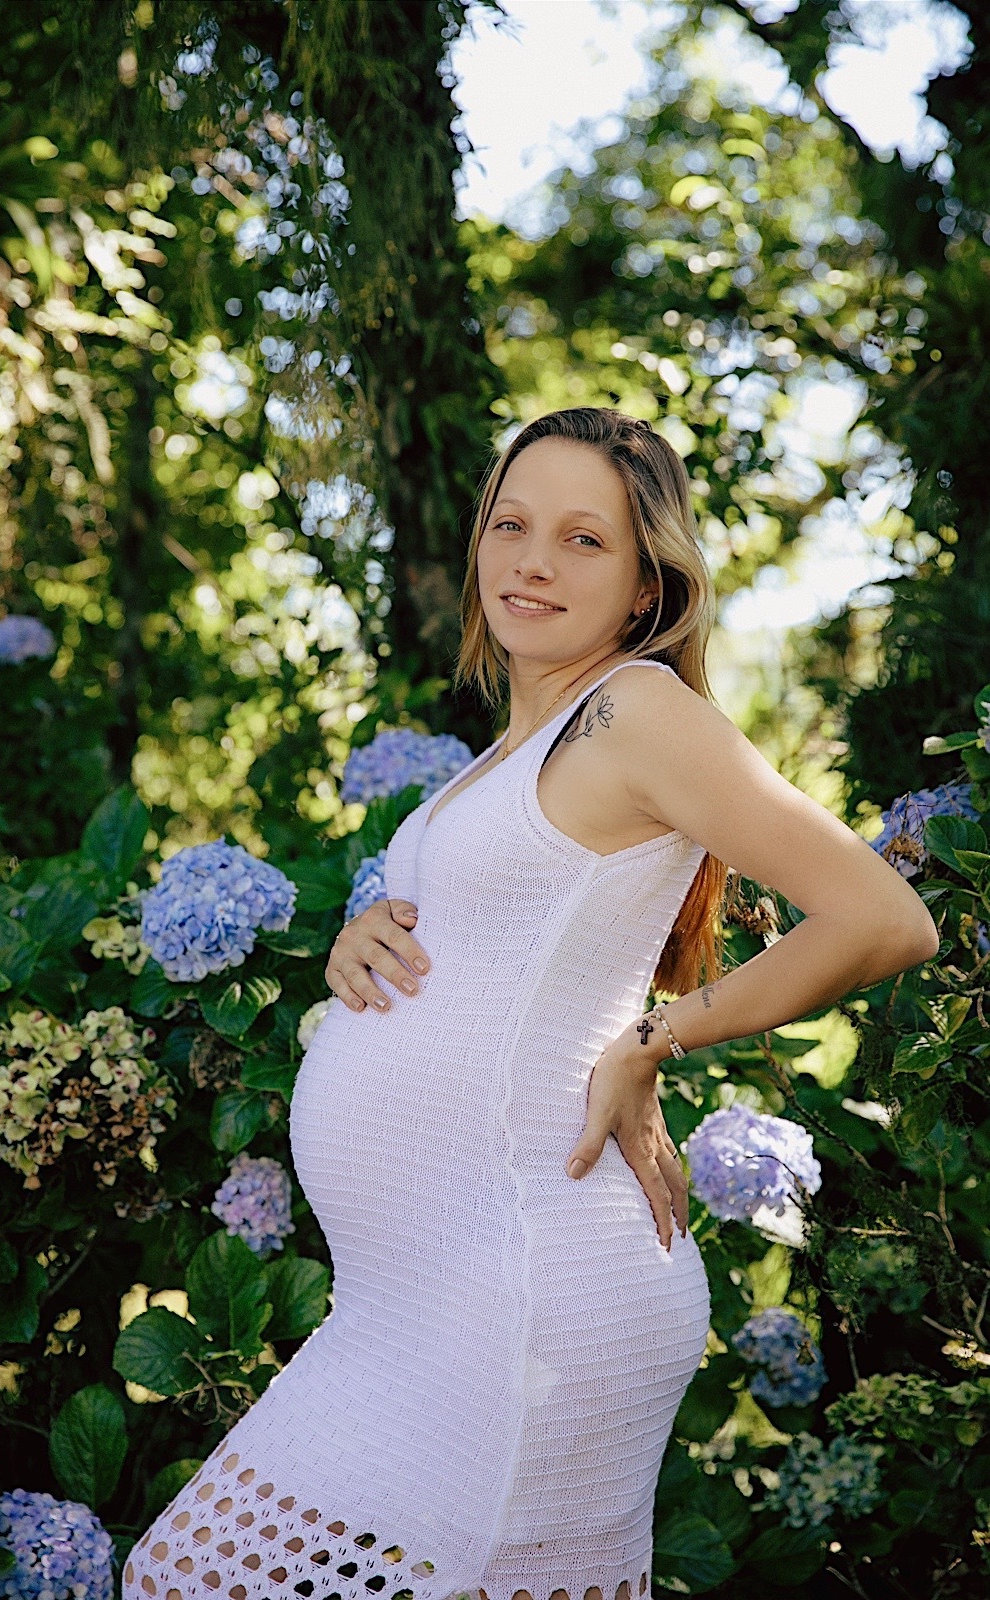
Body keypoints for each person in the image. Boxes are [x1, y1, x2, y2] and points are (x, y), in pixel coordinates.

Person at [122, 407, 938, 1600]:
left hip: (525, 1286)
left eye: (580, 539)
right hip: (422, 1297)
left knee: (184, 1577)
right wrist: (366, 934)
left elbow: (882, 917)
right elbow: (509, 934)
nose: (531, 560)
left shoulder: (633, 710)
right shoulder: (509, 750)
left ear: (648, 583)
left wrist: (653, 1041)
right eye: (509, 525)